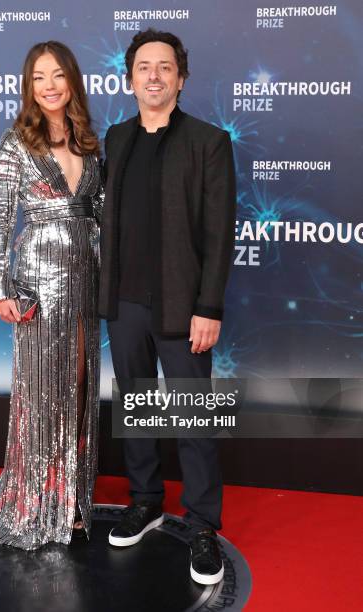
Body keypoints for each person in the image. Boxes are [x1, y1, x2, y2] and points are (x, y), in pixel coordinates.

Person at [0, 41, 104, 549]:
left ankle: (73, 497)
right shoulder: (16, 141)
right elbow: (3, 220)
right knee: (42, 391)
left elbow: (98, 213)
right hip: (35, 277)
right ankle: (37, 499)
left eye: (58, 75)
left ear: (72, 80)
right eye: (38, 77)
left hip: (86, 277)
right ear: (27, 86)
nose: (49, 85)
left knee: (78, 385)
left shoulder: (90, 141)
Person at [99, 29, 236, 584]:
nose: (153, 76)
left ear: (181, 77)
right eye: (143, 67)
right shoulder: (116, 137)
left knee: (193, 418)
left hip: (185, 307)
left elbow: (220, 233)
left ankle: (203, 524)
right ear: (129, 78)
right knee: (137, 409)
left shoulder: (208, 141)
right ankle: (146, 500)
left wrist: (209, 306)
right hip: (125, 303)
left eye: (164, 67)